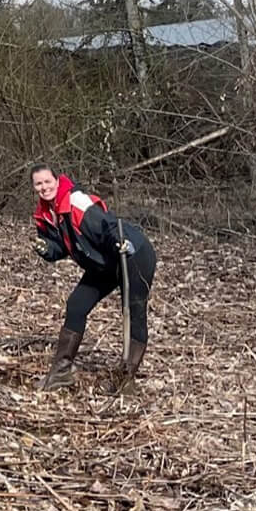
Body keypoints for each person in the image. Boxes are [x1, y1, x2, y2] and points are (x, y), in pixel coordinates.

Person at [30, 165, 156, 393]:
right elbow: (61, 248)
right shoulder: (46, 214)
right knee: (76, 305)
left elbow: (106, 224)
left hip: (132, 253)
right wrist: (47, 249)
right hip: (103, 263)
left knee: (133, 311)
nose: (44, 187)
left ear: (57, 181)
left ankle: (125, 380)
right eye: (38, 184)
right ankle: (61, 373)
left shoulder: (76, 202)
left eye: (47, 182)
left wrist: (119, 242)